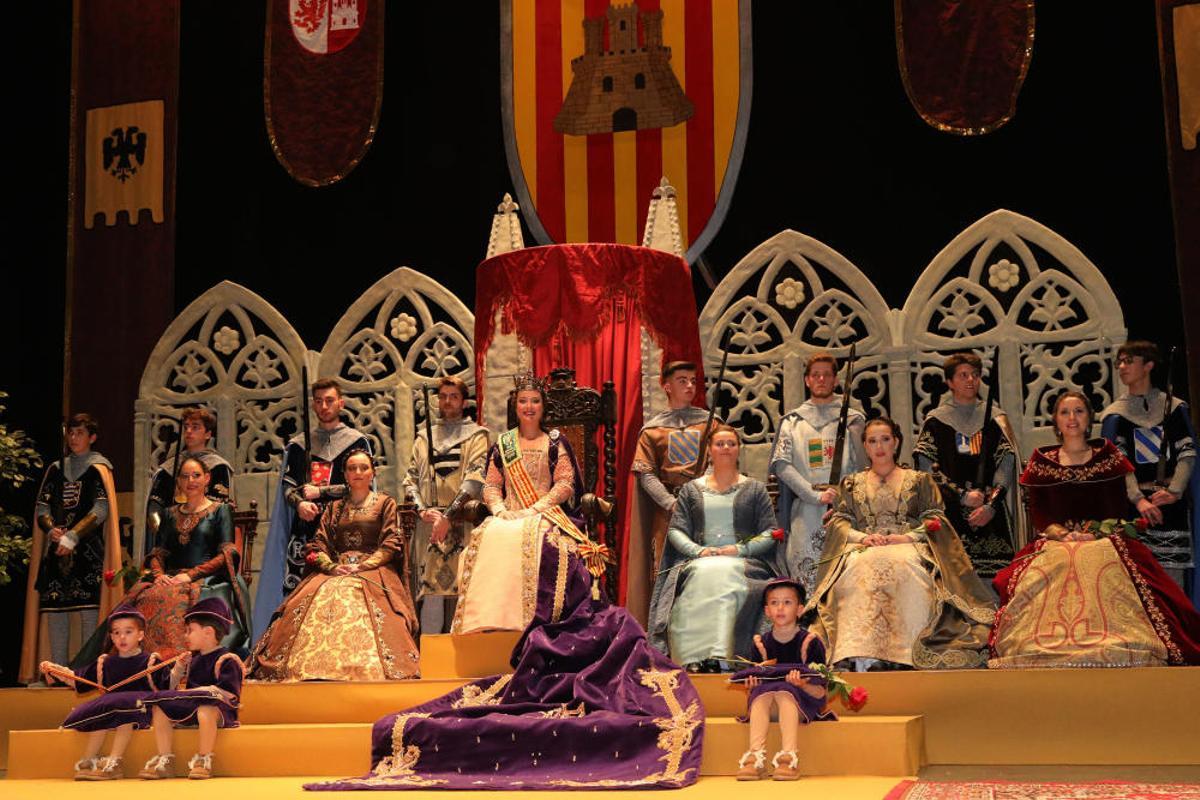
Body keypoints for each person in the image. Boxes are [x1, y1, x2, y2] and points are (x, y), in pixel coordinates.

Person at [990, 390, 1200, 668]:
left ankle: (1119, 640)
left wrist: (1093, 533)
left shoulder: (1108, 458)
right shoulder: (1042, 462)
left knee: (1101, 562)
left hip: (1103, 538)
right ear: (1056, 421)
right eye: (1065, 412)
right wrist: (1063, 534)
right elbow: (1040, 514)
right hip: (1056, 540)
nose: (1072, 418)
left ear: (1089, 419)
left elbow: (1115, 508)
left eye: (1079, 411)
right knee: (1054, 563)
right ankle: (1041, 644)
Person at [807, 417, 996, 671]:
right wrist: (864, 538)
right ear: (865, 446)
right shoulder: (851, 484)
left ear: (896, 442)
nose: (879, 446)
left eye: (885, 439)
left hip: (908, 546)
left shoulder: (918, 480)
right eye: (872, 441)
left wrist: (906, 537)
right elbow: (839, 521)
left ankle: (906, 652)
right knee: (856, 569)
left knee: (907, 567)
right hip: (865, 548)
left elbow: (935, 519)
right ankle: (862, 654)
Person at [248, 449, 420, 680]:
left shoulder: (385, 503)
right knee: (305, 600)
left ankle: (364, 668)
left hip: (373, 569)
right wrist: (332, 567)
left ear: (373, 473)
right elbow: (318, 544)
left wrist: (364, 565)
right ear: (345, 475)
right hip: (336, 570)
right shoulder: (334, 508)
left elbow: (391, 543)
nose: (358, 472)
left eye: (364, 468)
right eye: (352, 468)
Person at [451, 371, 590, 634]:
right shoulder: (504, 444)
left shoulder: (554, 442)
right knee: (486, 536)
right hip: (508, 515)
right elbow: (492, 485)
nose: (529, 407)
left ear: (543, 406)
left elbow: (564, 483)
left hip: (543, 514)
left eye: (535, 401)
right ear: (515, 407)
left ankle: (528, 619)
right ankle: (486, 621)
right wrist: (499, 509)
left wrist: (535, 509)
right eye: (523, 401)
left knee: (541, 542)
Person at [647, 425, 783, 672]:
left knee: (723, 572)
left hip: (743, 562)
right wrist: (698, 551)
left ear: (739, 449)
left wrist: (740, 549)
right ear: (709, 450)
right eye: (720, 444)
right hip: (699, 560)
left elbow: (770, 532)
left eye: (731, 443)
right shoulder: (691, 490)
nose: (726, 448)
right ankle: (692, 657)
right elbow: (676, 530)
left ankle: (723, 655)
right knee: (703, 572)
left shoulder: (755, 489)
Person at [86, 458, 250, 661]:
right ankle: (139, 661)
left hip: (207, 578)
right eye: (185, 476)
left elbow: (228, 553)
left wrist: (190, 576)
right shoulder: (169, 513)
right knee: (148, 596)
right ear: (178, 481)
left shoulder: (220, 510)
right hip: (170, 578)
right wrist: (159, 575)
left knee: (174, 600)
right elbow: (158, 553)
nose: (190, 481)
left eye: (196, 475)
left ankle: (178, 662)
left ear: (207, 478)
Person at [254, 377, 371, 641]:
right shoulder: (298, 446)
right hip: (306, 531)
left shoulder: (357, 443)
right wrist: (300, 503)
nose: (324, 406)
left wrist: (321, 493)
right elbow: (288, 487)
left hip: (345, 528)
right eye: (318, 401)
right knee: (301, 595)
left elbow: (360, 485)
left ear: (341, 403)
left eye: (329, 400)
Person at [19, 413, 121, 685]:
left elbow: (101, 508)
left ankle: (86, 674)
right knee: (56, 610)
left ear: (92, 437)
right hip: (57, 551)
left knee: (88, 611)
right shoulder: (55, 469)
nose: (74, 438)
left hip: (88, 552)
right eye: (71, 433)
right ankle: (57, 674)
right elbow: (42, 507)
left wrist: (74, 535)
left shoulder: (99, 468)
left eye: (80, 433)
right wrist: (51, 529)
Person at [913, 352, 1023, 579]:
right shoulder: (936, 421)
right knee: (953, 579)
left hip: (990, 514)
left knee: (999, 580)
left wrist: (991, 505)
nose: (971, 380)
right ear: (950, 382)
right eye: (963, 375)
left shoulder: (995, 419)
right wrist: (961, 496)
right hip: (950, 513)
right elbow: (926, 467)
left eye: (975, 374)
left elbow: (1006, 462)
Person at [628, 361, 722, 625]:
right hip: (667, 513)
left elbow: (720, 461)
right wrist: (671, 503)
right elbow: (646, 473)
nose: (690, 386)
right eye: (683, 381)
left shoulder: (711, 424)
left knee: (707, 568)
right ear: (667, 386)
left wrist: (700, 493)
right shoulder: (652, 431)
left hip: (705, 506)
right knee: (669, 571)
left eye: (693, 380)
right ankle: (667, 632)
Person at [1101, 341, 1199, 593]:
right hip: (1135, 511)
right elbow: (1118, 462)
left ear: (1148, 365)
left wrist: (1175, 491)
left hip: (1171, 506)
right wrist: (1138, 499)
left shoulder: (1174, 408)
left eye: (1128, 361)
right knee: (1139, 588)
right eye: (1119, 362)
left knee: (1173, 589)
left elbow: (1187, 453)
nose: (1121, 367)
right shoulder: (1116, 415)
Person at [770, 352, 866, 593]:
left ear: (835, 380)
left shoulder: (853, 420)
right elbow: (781, 464)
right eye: (815, 375)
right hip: (806, 510)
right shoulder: (792, 422)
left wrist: (843, 495)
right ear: (807, 380)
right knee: (807, 577)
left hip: (846, 508)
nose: (821, 379)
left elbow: (863, 466)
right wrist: (814, 496)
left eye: (826, 375)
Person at [401, 376, 490, 634]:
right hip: (429, 524)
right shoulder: (423, 438)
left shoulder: (477, 436)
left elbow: (475, 478)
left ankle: (463, 652)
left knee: (465, 589)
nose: (447, 401)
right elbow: (410, 479)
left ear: (464, 401)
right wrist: (422, 510)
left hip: (463, 522)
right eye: (443, 396)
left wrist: (447, 517)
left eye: (453, 396)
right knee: (431, 590)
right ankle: (429, 651)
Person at [40, 604, 168, 780]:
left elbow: (167, 686)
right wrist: (55, 670)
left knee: (124, 716)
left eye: (128, 632)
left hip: (140, 711)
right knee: (101, 717)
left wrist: (178, 669)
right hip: (112, 710)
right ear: (111, 637)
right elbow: (78, 679)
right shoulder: (105, 662)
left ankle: (115, 762)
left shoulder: (150, 661)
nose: (122, 637)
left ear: (140, 635)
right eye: (116, 632)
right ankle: (89, 760)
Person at [733, 578, 833, 782]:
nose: (780, 608)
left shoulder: (810, 643)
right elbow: (757, 684)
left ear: (800, 609)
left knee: (783, 692)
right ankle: (755, 757)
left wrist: (802, 684)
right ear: (767, 611)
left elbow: (821, 693)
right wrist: (751, 686)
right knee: (763, 693)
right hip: (768, 708)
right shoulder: (760, 644)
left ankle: (788, 757)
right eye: (774, 603)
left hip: (801, 706)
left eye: (787, 602)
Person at [138, 598, 245, 780]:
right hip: (192, 707)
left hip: (218, 711)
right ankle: (166, 759)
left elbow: (230, 695)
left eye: (190, 631)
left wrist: (197, 692)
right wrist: (179, 669)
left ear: (208, 632)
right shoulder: (193, 659)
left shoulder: (227, 659)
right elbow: (169, 688)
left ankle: (204, 759)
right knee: (160, 708)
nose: (186, 636)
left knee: (205, 709)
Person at [144, 407, 234, 555]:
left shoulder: (217, 467)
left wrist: (191, 533)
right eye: (186, 427)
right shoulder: (168, 468)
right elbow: (154, 507)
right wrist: (167, 533)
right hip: (170, 544)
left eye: (195, 427)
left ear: (208, 434)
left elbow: (217, 510)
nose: (189, 431)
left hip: (204, 544)